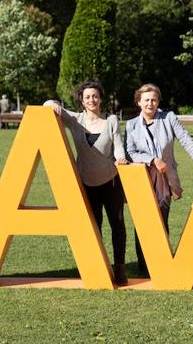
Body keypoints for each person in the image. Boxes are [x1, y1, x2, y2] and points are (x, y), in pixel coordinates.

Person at [44, 80, 129, 285]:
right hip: (86, 183)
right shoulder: (75, 120)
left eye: (95, 96)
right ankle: (98, 266)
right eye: (87, 97)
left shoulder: (111, 120)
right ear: (82, 101)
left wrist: (120, 158)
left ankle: (120, 267)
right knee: (93, 225)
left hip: (111, 181)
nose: (92, 100)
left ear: (101, 99)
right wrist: (52, 102)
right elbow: (47, 105)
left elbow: (118, 145)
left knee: (117, 224)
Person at [125, 83, 193, 274]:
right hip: (141, 177)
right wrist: (152, 160)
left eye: (154, 99)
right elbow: (130, 153)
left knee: (161, 217)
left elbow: (186, 140)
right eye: (146, 100)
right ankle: (144, 265)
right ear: (139, 102)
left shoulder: (169, 118)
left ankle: (161, 262)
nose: (150, 103)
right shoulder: (131, 125)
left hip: (164, 178)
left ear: (158, 101)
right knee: (142, 221)